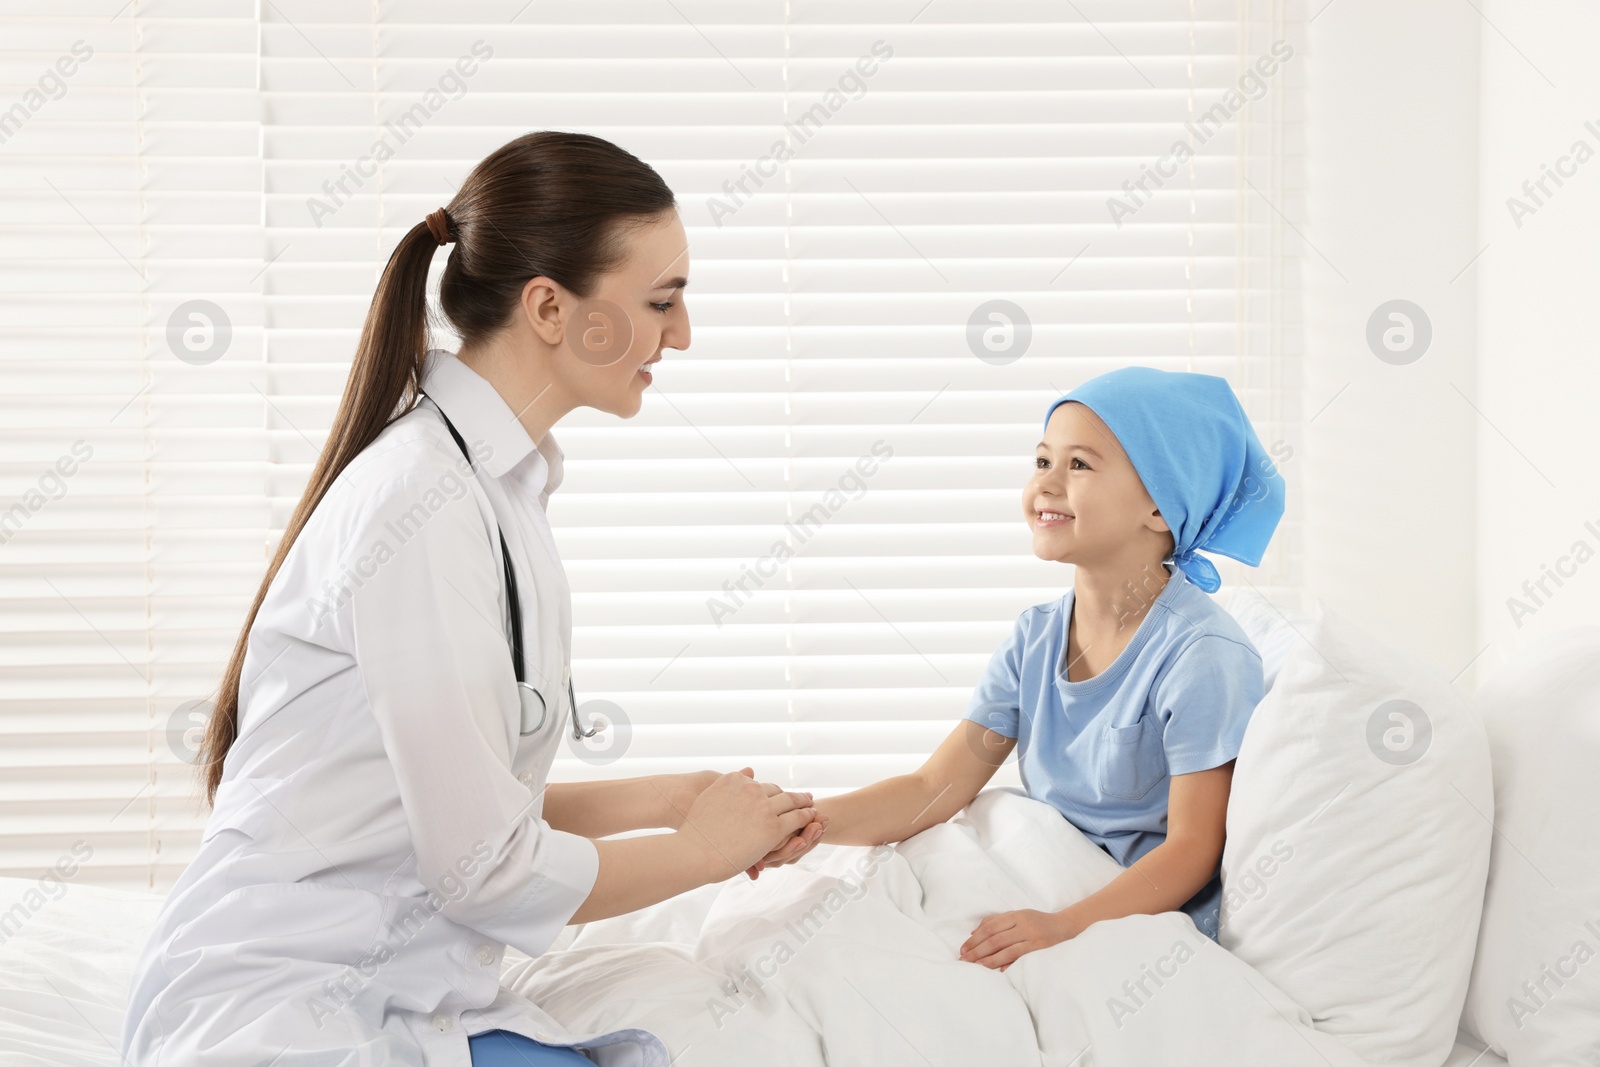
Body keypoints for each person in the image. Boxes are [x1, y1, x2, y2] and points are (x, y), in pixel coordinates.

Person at [120, 131, 824, 1067]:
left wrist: (667, 797)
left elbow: (458, 810)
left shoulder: (493, 488)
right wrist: (702, 851)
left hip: (389, 987)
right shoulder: (421, 504)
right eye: (663, 301)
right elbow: (482, 872)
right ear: (548, 307)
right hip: (281, 1012)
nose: (682, 333)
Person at [797, 366, 1287, 970]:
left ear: (1160, 507)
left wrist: (1064, 927)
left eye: (1079, 465)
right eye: (1041, 461)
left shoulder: (1202, 655)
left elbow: (1192, 849)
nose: (1047, 484)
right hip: (1037, 876)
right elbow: (934, 789)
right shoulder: (1035, 636)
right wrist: (805, 825)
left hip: (1114, 914)